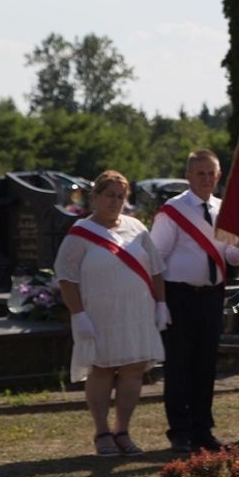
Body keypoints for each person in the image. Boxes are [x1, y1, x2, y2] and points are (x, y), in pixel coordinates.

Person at [55, 170, 170, 457]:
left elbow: (155, 269)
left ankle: (122, 431)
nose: (115, 201)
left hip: (137, 312)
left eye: (121, 196)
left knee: (133, 371)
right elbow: (66, 277)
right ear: (95, 197)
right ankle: (102, 432)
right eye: (109, 195)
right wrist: (78, 314)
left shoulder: (136, 228)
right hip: (98, 315)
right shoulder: (80, 233)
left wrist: (161, 303)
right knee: (102, 370)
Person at [151, 149, 239, 453]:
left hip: (212, 296)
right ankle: (179, 430)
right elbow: (156, 259)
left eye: (211, 173)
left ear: (219, 176)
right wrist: (160, 303)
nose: (206, 179)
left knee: (205, 365)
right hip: (179, 296)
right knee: (179, 366)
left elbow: (228, 254)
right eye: (200, 173)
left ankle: (203, 430)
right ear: (188, 176)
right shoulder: (172, 210)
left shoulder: (223, 209)